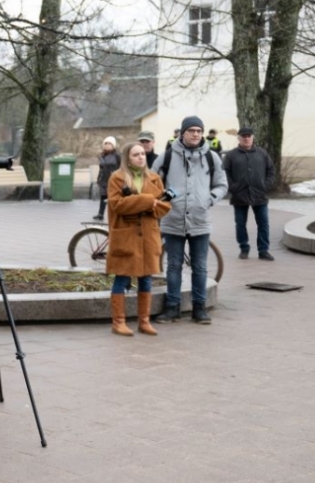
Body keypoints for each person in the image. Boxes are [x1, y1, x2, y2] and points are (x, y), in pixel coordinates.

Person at [154, 116, 229, 325]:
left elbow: (222, 185)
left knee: (200, 266)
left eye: (199, 130)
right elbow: (152, 183)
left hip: (200, 220)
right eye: (191, 130)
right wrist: (167, 197)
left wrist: (210, 199)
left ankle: (199, 308)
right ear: (182, 133)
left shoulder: (212, 157)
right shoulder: (166, 157)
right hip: (173, 219)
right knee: (174, 266)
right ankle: (172, 308)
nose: (195, 134)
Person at [105, 143, 171, 336]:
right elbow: (118, 205)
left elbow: (164, 207)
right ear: (127, 158)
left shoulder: (154, 178)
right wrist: (148, 201)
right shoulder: (117, 178)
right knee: (122, 276)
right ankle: (118, 322)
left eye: (142, 154)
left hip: (148, 236)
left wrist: (148, 203)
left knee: (146, 278)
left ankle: (144, 321)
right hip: (126, 236)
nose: (141, 157)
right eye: (136, 155)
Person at [223, 127, 277, 261]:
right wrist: (233, 187)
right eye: (243, 136)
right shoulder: (231, 155)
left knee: (263, 224)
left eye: (249, 136)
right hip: (239, 196)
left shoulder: (262, 153)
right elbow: (224, 174)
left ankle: (263, 250)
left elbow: (271, 171)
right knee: (240, 224)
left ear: (253, 137)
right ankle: (244, 248)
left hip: (260, 195)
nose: (246, 138)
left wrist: (266, 185)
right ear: (239, 138)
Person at [95, 137, 121, 221]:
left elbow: (121, 166)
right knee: (103, 196)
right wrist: (99, 178)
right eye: (105, 143)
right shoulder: (102, 155)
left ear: (113, 145)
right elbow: (101, 168)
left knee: (113, 197)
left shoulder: (117, 155)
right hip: (104, 179)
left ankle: (116, 213)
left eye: (109, 143)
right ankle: (100, 214)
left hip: (113, 179)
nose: (107, 145)